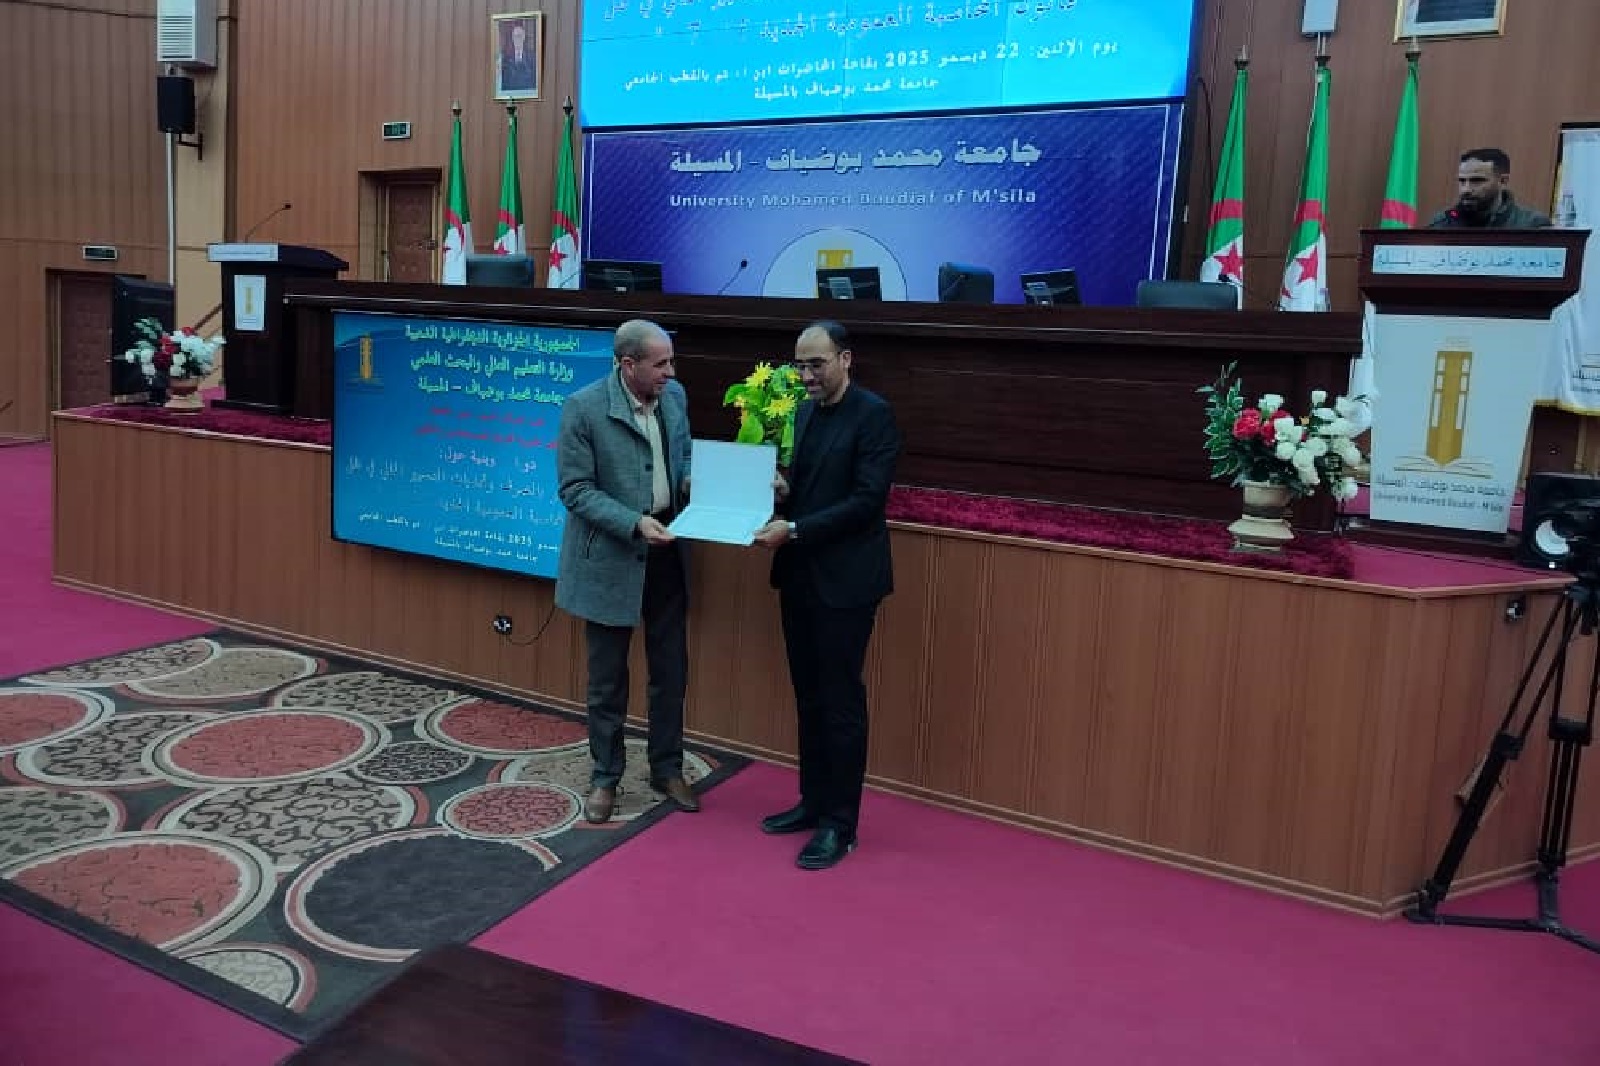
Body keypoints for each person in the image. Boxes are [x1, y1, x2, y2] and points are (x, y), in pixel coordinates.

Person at [753, 320, 902, 870]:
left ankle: (841, 824)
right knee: (808, 696)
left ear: (845, 359)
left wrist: (793, 529)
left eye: (816, 364)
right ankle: (813, 802)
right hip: (799, 576)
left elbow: (866, 501)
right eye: (799, 365)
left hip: (847, 582)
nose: (806, 376)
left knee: (840, 703)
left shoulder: (874, 415)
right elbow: (813, 489)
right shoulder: (805, 412)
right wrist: (782, 493)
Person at [555, 319, 697, 824]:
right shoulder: (583, 408)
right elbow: (575, 490)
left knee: (670, 671)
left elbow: (684, 460)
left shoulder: (675, 397)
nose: (670, 372)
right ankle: (605, 776)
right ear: (627, 364)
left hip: (667, 554)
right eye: (661, 364)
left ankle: (667, 768)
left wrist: (700, 484)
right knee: (607, 680)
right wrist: (633, 523)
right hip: (612, 557)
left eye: (671, 362)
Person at [1427, 148, 1551, 229]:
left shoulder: (1533, 224)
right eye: (1462, 181)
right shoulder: (1443, 222)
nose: (1466, 189)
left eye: (1477, 181)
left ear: (1503, 181)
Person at [500, 21, 536, 93]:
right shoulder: (505, 58)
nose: (517, 39)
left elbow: (534, 81)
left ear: (524, 37)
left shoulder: (532, 57)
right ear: (512, 38)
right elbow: (504, 83)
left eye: (519, 36)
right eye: (515, 36)